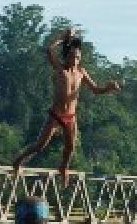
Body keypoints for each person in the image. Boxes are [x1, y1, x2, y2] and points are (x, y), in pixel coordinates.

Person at [12, 28, 122, 187]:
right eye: (73, 56)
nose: (75, 60)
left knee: (70, 148)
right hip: (56, 114)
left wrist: (109, 88)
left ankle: (63, 168)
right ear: (67, 56)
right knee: (40, 145)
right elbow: (49, 50)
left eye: (78, 57)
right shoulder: (60, 69)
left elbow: (96, 90)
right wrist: (62, 39)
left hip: (70, 116)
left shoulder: (81, 73)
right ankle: (18, 161)